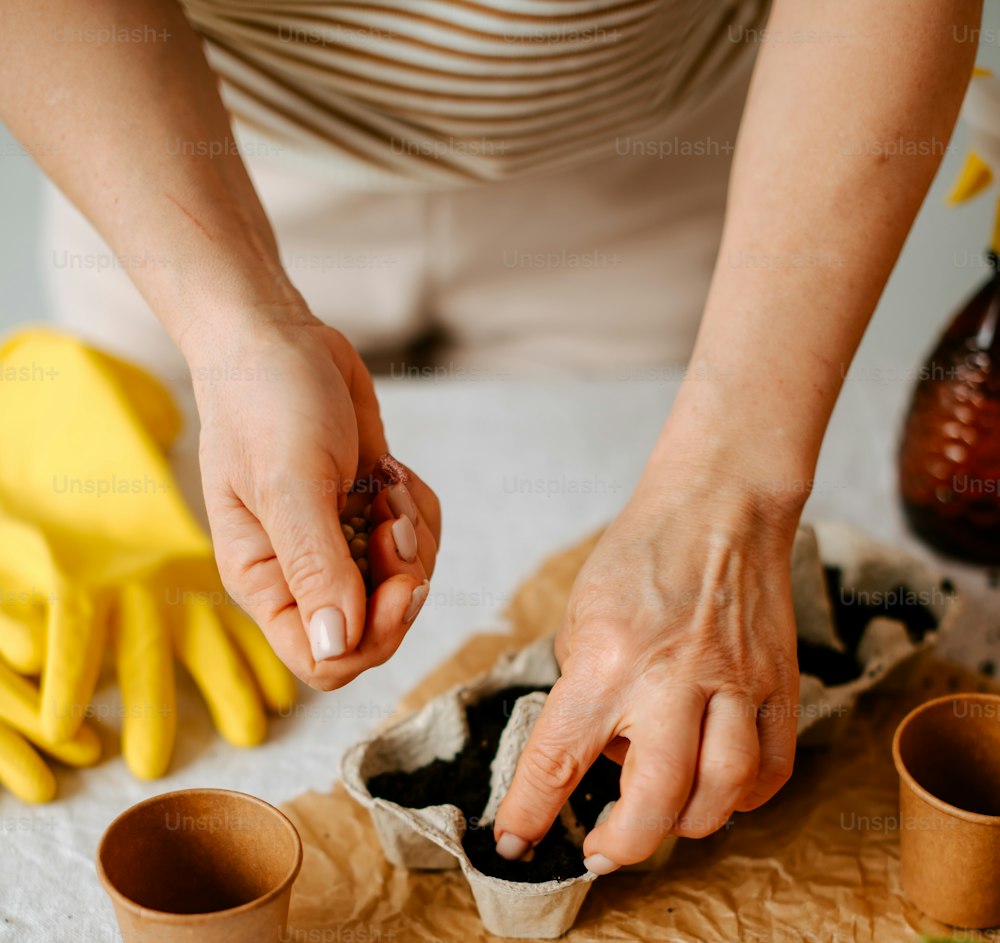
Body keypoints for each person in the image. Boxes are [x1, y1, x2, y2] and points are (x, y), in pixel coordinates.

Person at [1, 1, 980, 872]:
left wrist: (733, 487)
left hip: (663, 178)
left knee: (672, 606)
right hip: (188, 165)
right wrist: (233, 327)